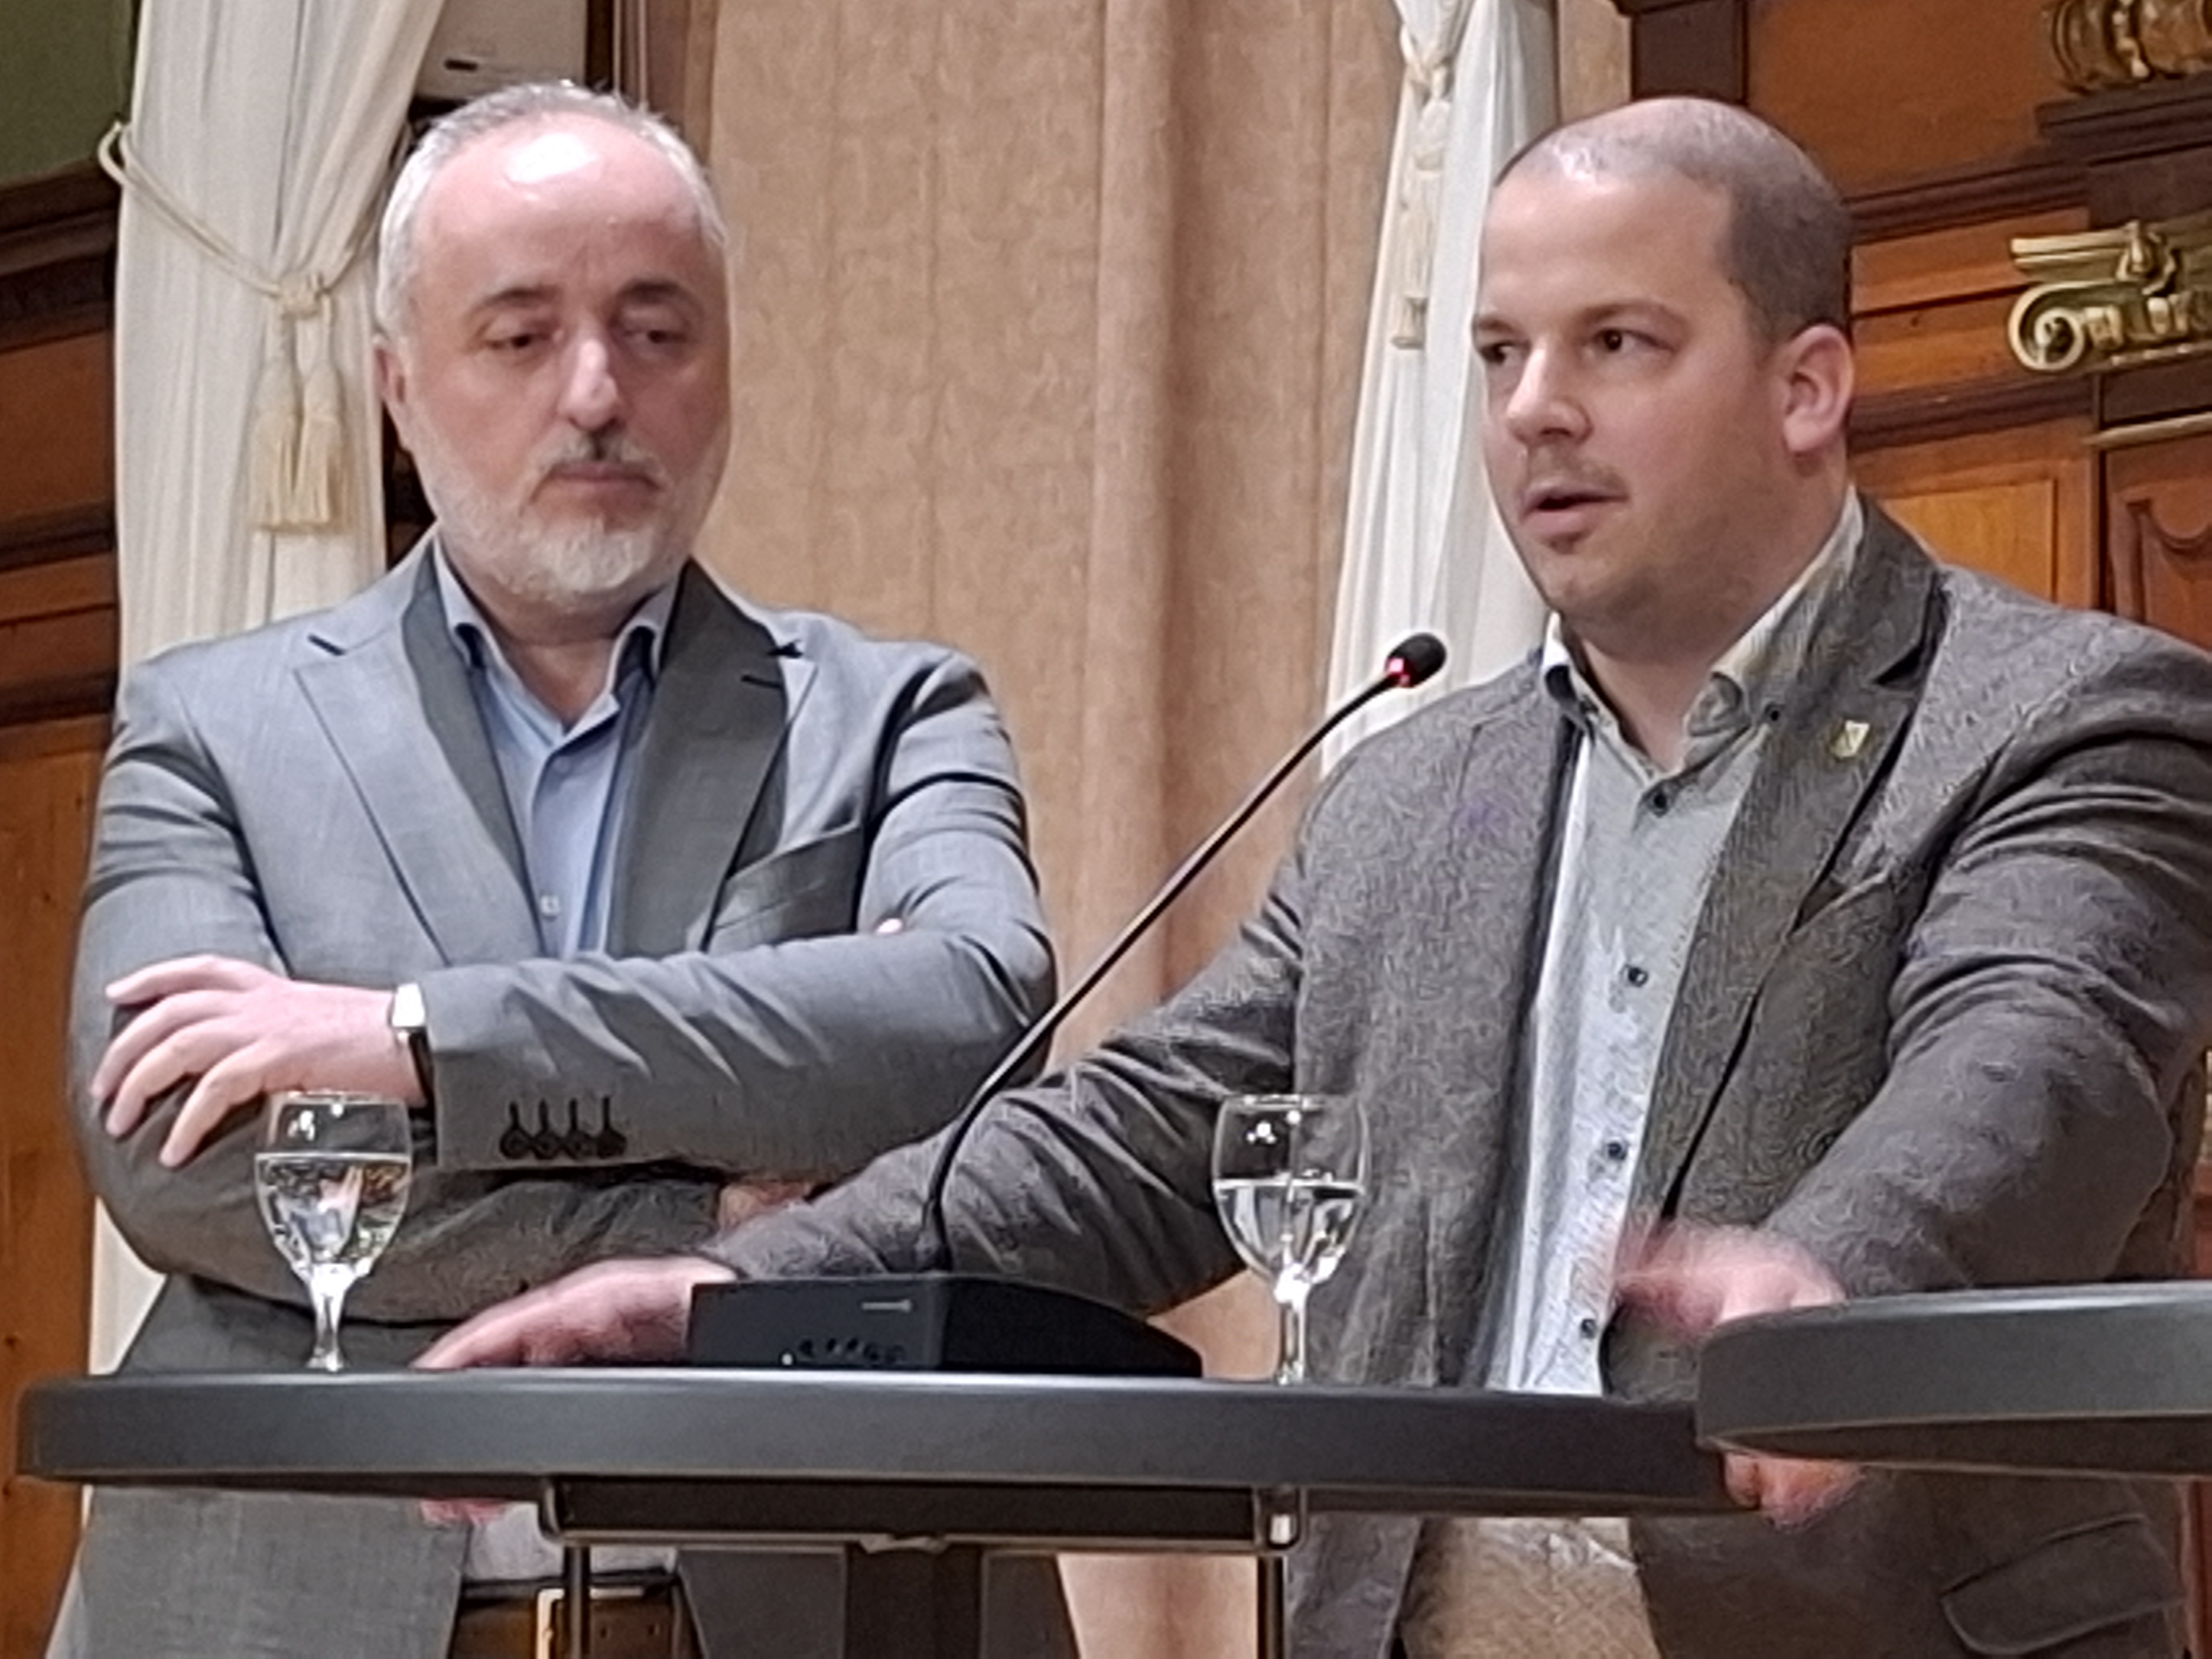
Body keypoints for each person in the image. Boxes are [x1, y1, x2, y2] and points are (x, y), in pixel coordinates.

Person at [428, 97, 2212, 1658]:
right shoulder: (1414, 792)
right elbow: (1146, 1138)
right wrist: (732, 1294)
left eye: (1616, 345)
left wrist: (1829, 1288)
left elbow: (2036, 1062)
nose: (1537, 412)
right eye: (1499, 353)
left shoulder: (2059, 717)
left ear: (1807, 386)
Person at [53, 84, 1057, 1659]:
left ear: (727, 369)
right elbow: (184, 1163)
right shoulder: (211, 726)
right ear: (397, 384)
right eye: (520, 336)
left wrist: (417, 1046)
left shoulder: (893, 713)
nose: (597, 392)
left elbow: (972, 1020)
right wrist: (711, 1227)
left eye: (657, 333)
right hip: (284, 1592)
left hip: (822, 1588)